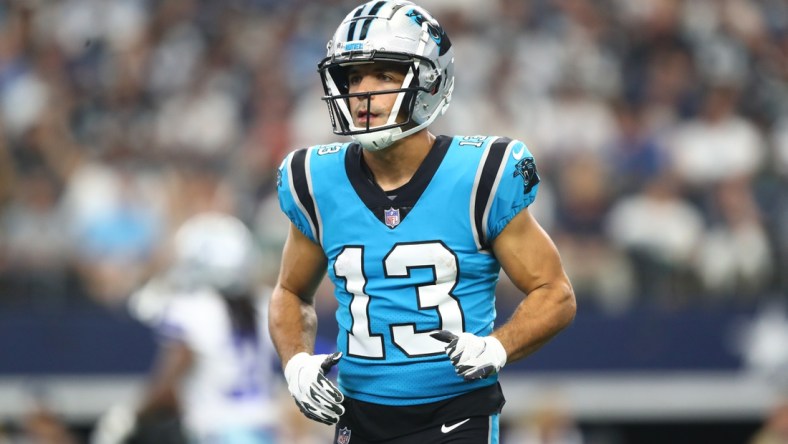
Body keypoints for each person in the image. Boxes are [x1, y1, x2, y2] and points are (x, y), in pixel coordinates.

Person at [269, 1, 577, 443]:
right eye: (354, 77)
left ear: (430, 80)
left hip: (455, 414)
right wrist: (295, 360)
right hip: (359, 415)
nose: (362, 92)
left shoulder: (480, 175)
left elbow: (556, 293)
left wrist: (497, 345)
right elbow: (290, 292)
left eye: (385, 74)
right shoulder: (314, 179)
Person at [91, 212, 281, 444]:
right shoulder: (265, 304)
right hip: (265, 431)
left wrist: (130, 416)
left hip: (215, 431)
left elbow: (167, 386)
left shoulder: (193, 309)